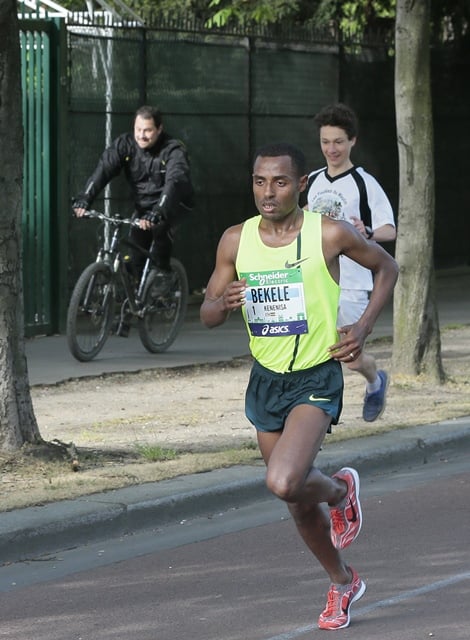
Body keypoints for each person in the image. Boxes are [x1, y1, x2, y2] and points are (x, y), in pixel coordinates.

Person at [200, 142, 398, 630]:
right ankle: (342, 581)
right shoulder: (235, 240)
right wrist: (223, 303)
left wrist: (364, 327)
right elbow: (205, 313)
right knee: (293, 500)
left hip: (317, 373)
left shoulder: (329, 233)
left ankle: (337, 492)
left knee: (284, 481)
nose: (269, 193)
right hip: (266, 380)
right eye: (260, 182)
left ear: (301, 184)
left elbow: (386, 268)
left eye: (281, 181)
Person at [305, 103, 396, 422]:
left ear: (352, 141)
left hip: (354, 284)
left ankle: (375, 380)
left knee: (351, 357)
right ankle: (321, 411)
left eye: (338, 141)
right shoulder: (313, 180)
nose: (331, 149)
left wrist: (367, 232)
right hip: (316, 280)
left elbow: (389, 228)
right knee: (314, 349)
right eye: (325, 142)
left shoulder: (363, 182)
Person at [73, 105, 194, 333]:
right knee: (135, 252)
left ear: (159, 129)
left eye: (147, 130)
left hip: (173, 203)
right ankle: (132, 304)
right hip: (143, 207)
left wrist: (159, 211)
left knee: (160, 232)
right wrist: (85, 197)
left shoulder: (173, 150)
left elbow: (175, 181)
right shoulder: (126, 145)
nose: (142, 135)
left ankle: (164, 276)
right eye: (138, 129)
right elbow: (104, 169)